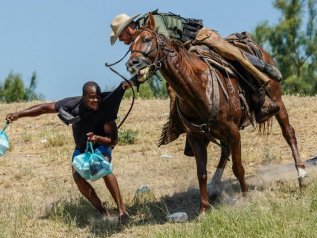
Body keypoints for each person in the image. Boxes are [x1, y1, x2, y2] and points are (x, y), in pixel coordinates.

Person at [109, 10, 282, 122]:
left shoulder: (150, 23)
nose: (122, 40)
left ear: (128, 28)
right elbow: (152, 61)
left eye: (121, 36)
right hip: (183, 54)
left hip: (197, 40)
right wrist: (135, 79)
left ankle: (262, 90)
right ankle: (183, 124)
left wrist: (141, 74)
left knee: (232, 57)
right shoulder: (140, 40)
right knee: (173, 86)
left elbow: (164, 48)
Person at [6, 81, 130, 223]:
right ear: (84, 97)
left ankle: (122, 211)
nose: (95, 100)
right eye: (91, 97)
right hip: (81, 148)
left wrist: (96, 138)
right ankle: (103, 212)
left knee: (103, 167)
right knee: (77, 177)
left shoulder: (105, 110)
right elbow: (44, 108)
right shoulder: (72, 105)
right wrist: (19, 114)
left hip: (101, 145)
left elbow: (113, 141)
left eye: (97, 97)